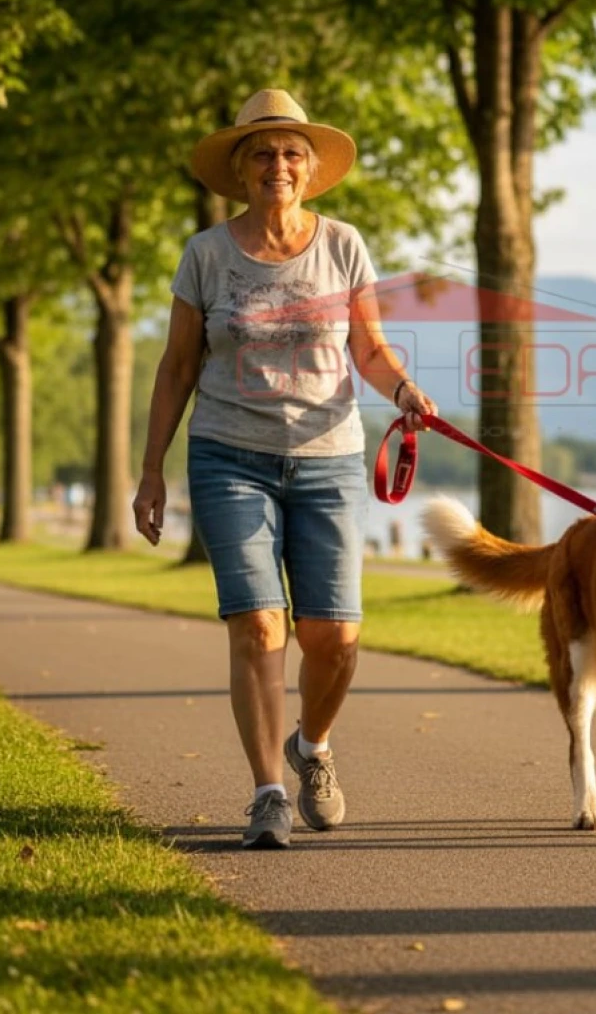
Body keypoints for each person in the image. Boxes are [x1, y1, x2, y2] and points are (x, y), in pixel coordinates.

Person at [133, 89, 436, 849]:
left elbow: (368, 347)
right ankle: (268, 790)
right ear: (239, 167)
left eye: (292, 152)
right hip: (229, 454)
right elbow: (176, 368)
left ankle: (313, 747)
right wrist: (150, 473)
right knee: (260, 625)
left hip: (329, 457)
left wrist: (401, 388)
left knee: (334, 636)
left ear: (310, 167)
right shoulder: (205, 254)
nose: (279, 164)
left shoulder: (343, 244)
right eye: (263, 152)